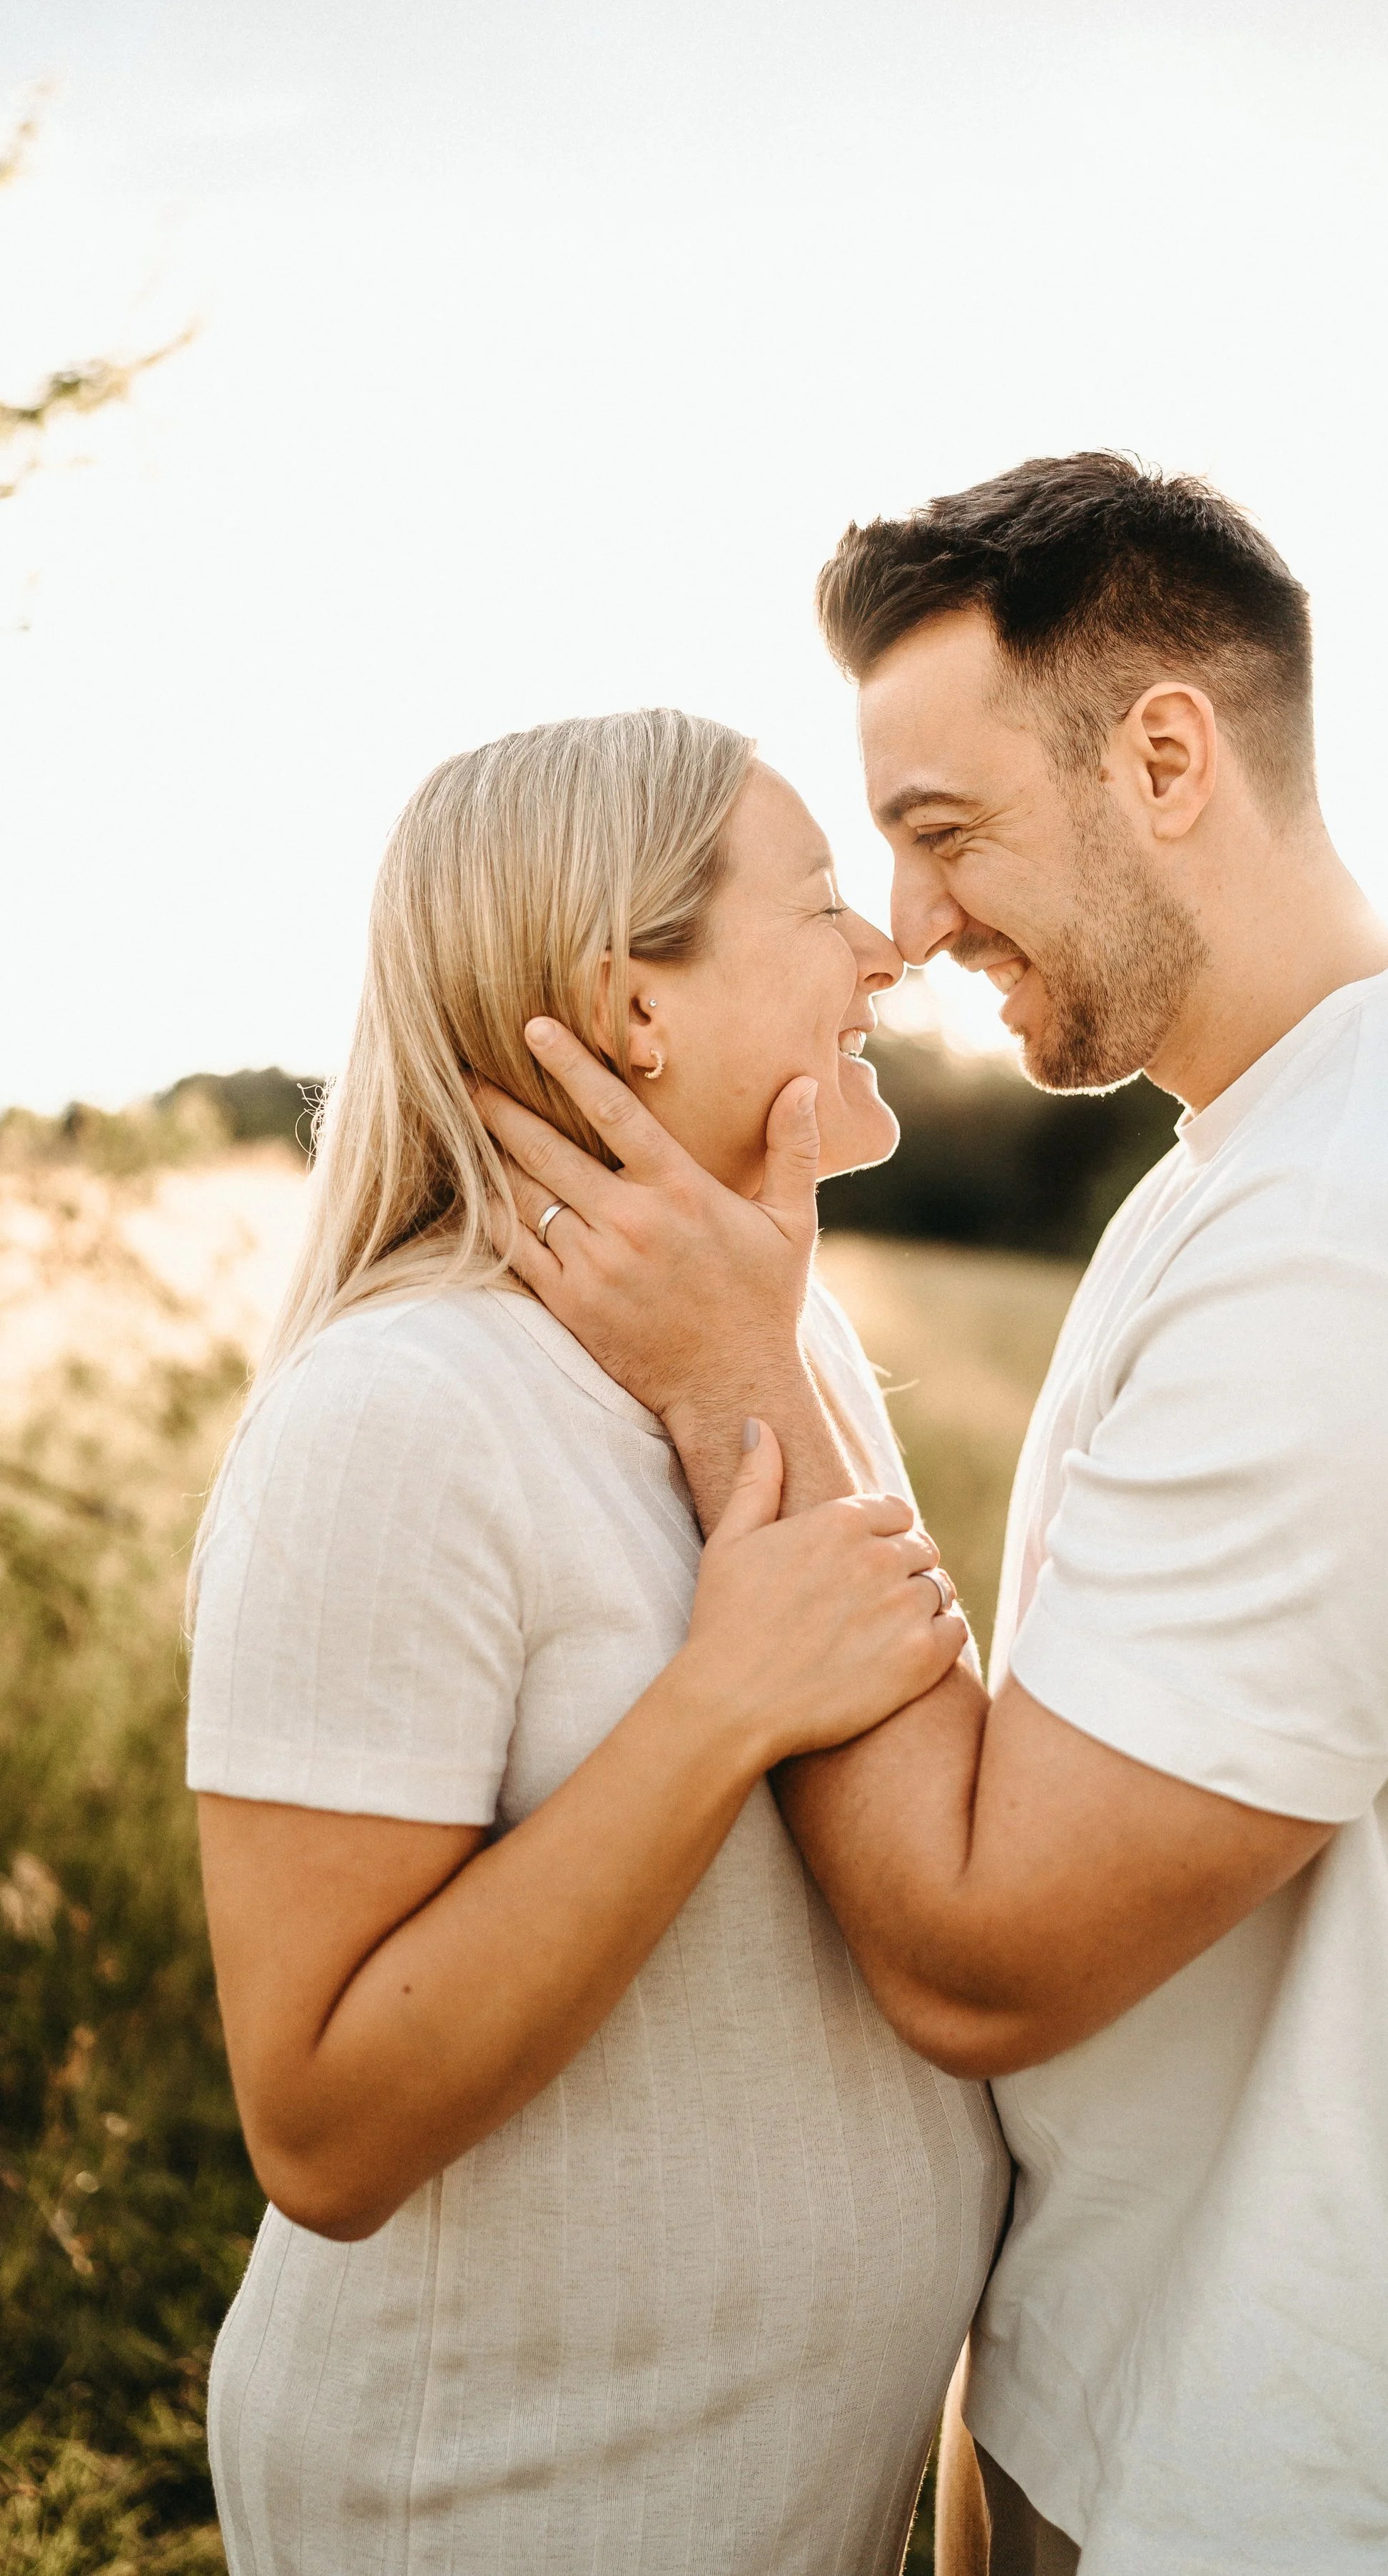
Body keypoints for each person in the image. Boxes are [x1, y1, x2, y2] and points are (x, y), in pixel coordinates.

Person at [477, 457, 1388, 2576]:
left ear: (1165, 757)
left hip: (1344, 2484)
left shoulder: (1379, 1227)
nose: (905, 925)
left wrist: (737, 1370)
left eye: (945, 829)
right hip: (1174, 2388)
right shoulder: (1272, 1159)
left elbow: (986, 1952)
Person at [186, 708, 1008, 2576]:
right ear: (635, 1007)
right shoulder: (406, 1408)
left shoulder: (778, 1348)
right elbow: (318, 2126)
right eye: (818, 900)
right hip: (509, 2502)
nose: (884, 947)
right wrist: (717, 1709)